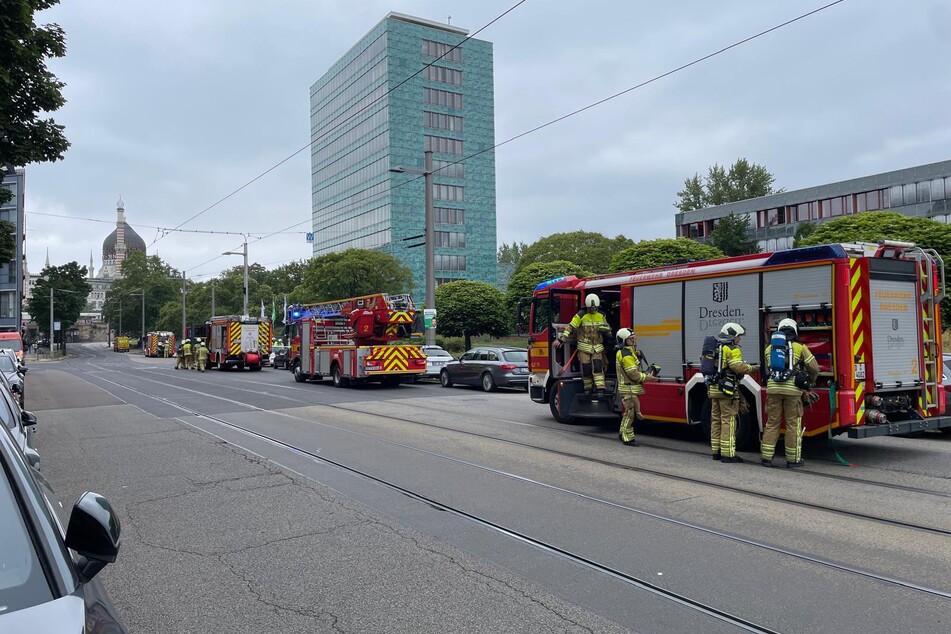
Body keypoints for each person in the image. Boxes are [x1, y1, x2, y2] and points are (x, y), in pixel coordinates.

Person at [761, 318, 819, 468]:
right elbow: (814, 367)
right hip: (793, 391)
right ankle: (793, 460)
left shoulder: (769, 349)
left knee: (772, 423)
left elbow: (768, 368)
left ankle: (766, 458)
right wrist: (810, 382)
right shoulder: (800, 347)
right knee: (792, 424)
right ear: (795, 331)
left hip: (773, 389)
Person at [708, 322, 755, 463]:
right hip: (727, 391)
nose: (739, 339)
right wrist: (751, 368)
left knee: (715, 420)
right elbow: (737, 367)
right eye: (738, 336)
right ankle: (728, 454)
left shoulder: (714, 347)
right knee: (728, 420)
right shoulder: (732, 349)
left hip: (713, 389)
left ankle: (715, 451)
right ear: (732, 336)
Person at [553, 293, 612, 394]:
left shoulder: (602, 315)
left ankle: (600, 388)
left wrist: (607, 332)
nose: (593, 309)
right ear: (587, 306)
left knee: (598, 367)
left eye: (595, 307)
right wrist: (561, 339)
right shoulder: (581, 314)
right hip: (584, 347)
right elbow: (570, 327)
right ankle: (588, 388)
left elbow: (607, 326)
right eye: (591, 307)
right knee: (586, 368)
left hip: (597, 347)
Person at [615, 328, 655, 446]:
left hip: (629, 387)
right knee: (630, 413)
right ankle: (628, 438)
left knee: (628, 411)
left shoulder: (629, 351)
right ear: (623, 340)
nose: (633, 340)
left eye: (633, 338)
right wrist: (648, 377)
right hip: (628, 388)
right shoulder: (626, 354)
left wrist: (638, 356)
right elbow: (633, 374)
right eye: (630, 339)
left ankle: (622, 432)